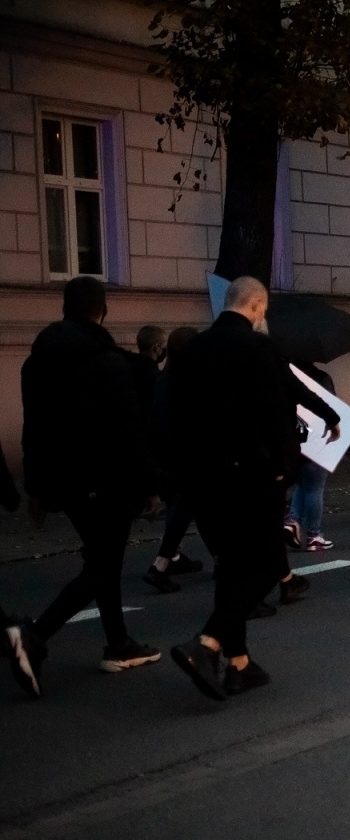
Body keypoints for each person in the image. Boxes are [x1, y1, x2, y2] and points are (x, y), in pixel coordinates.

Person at [8, 277, 162, 698]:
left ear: (64, 307)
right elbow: (128, 431)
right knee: (101, 567)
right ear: (102, 310)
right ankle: (34, 637)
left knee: (102, 561)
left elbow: (33, 429)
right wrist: (150, 485)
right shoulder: (108, 362)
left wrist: (37, 489)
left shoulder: (36, 362)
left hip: (65, 482)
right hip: (107, 479)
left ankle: (118, 643)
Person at [164, 276, 314, 700]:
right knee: (267, 564)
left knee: (229, 564)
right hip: (252, 471)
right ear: (257, 306)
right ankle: (207, 643)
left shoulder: (191, 349)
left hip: (201, 474)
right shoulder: (257, 348)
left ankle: (238, 662)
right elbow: (273, 412)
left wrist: (176, 472)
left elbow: (173, 414)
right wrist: (287, 467)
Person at [143, 325, 205, 594]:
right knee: (188, 509)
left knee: (191, 509)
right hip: (184, 457)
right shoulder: (183, 381)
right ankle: (159, 566)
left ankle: (163, 565)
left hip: (169, 458)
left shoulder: (166, 378)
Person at [285, 360, 337, 551]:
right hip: (318, 437)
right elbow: (332, 406)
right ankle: (314, 535)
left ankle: (292, 521)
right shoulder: (322, 378)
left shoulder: (286, 375)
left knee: (301, 484)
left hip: (294, 439)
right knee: (315, 487)